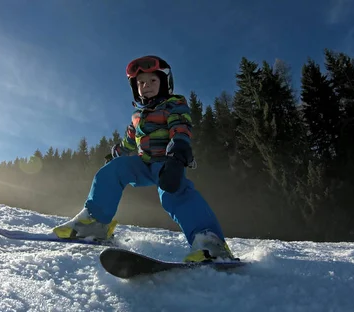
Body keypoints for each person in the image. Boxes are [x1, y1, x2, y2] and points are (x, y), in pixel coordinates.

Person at [53, 55, 236, 262]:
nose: (146, 86)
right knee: (113, 170)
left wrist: (177, 154)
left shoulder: (173, 104)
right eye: (141, 83)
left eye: (152, 81)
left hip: (166, 163)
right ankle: (95, 224)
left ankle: (210, 243)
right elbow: (130, 141)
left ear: (165, 83)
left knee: (174, 194)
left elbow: (180, 127)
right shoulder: (137, 116)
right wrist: (116, 154)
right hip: (142, 164)